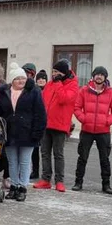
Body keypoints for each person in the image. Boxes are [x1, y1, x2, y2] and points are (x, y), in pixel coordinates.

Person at [0, 63, 46, 201]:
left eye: (22, 78)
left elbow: (40, 114)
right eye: (17, 79)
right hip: (10, 132)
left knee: (24, 161)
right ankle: (14, 186)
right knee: (12, 161)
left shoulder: (34, 92)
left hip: (28, 132)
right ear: (12, 80)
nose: (21, 81)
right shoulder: (5, 92)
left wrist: (37, 132)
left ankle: (22, 187)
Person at [72, 66, 112, 193]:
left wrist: (108, 121)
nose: (99, 76)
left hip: (103, 132)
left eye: (101, 74)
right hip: (86, 130)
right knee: (82, 157)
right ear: (93, 76)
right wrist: (84, 119)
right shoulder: (83, 90)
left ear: (105, 77)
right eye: (97, 74)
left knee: (104, 159)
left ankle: (106, 185)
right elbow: (76, 107)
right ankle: (78, 182)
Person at [35, 60, 78, 192]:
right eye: (53, 72)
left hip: (60, 125)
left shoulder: (73, 86)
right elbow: (42, 101)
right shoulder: (49, 85)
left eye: (56, 72)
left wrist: (59, 83)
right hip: (46, 124)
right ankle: (45, 179)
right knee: (45, 152)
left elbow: (63, 99)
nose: (53, 74)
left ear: (63, 73)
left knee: (58, 154)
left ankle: (59, 181)